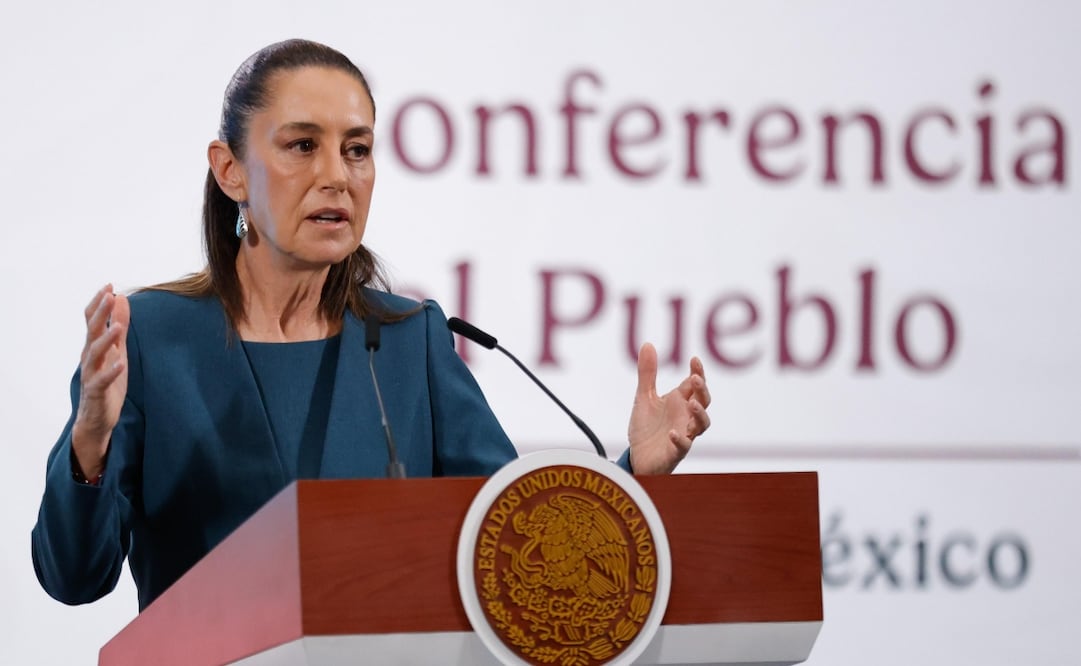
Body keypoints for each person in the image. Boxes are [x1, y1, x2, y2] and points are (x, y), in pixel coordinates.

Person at [32, 39, 712, 612]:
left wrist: (636, 477)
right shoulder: (151, 337)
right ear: (230, 169)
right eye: (302, 146)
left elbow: (513, 548)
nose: (337, 176)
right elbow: (73, 579)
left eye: (356, 150)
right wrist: (91, 438)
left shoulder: (409, 340)